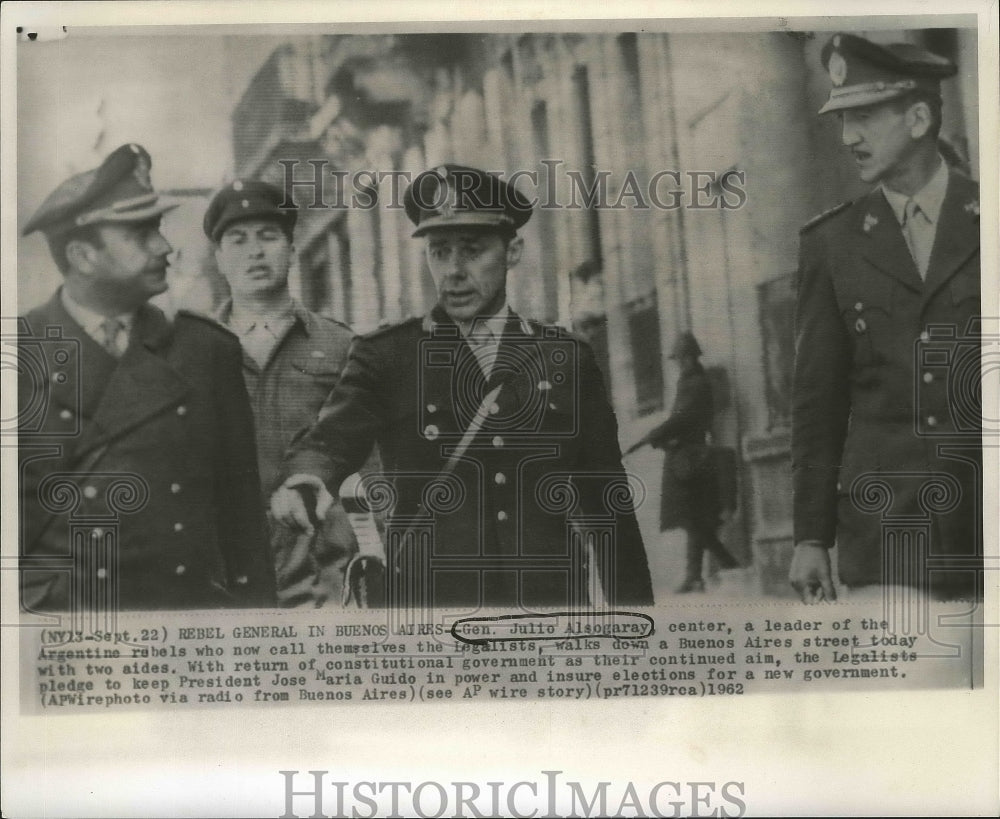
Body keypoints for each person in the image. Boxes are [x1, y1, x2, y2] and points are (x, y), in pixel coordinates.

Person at [271, 164, 654, 609]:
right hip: (431, 614)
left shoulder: (565, 358)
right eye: (439, 251)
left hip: (547, 613)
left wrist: (636, 623)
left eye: (471, 251)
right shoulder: (390, 356)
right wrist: (307, 479)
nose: (453, 270)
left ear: (512, 251)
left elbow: (608, 507)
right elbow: (330, 441)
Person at [18, 143, 275, 611]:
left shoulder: (206, 351)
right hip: (61, 630)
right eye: (141, 233)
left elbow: (243, 525)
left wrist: (258, 633)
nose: (165, 246)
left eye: (157, 227)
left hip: (183, 628)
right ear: (82, 255)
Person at [790, 34, 981, 603]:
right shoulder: (832, 244)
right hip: (887, 535)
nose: (849, 137)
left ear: (919, 117)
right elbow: (817, 405)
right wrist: (810, 536)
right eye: (844, 119)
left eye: (865, 117)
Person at [204, 179, 358, 606]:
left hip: (322, 581)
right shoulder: (190, 352)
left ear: (292, 248)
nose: (255, 251)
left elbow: (373, 465)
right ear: (219, 259)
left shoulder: (342, 347)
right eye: (238, 240)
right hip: (222, 584)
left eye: (269, 237)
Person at [625, 332, 738, 593]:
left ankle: (723, 566)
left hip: (690, 459)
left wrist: (652, 436)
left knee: (693, 518)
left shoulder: (695, 383)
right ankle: (696, 575)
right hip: (685, 456)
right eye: (679, 359)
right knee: (694, 518)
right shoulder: (690, 381)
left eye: (682, 358)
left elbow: (682, 419)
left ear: (691, 357)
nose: (680, 363)